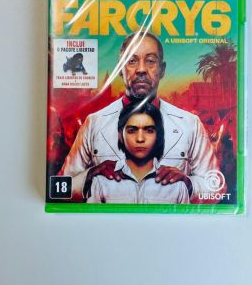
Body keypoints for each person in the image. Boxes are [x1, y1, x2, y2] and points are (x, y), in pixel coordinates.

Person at [59, 31, 216, 203]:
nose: (141, 69)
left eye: (150, 61)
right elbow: (60, 188)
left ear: (162, 70)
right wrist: (89, 176)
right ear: (120, 69)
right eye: (132, 61)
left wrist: (189, 185)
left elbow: (216, 187)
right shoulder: (95, 122)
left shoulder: (190, 124)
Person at [87, 102, 189, 204]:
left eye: (149, 130)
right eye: (132, 130)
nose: (140, 139)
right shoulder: (101, 182)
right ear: (120, 135)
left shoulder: (177, 185)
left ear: (158, 136)